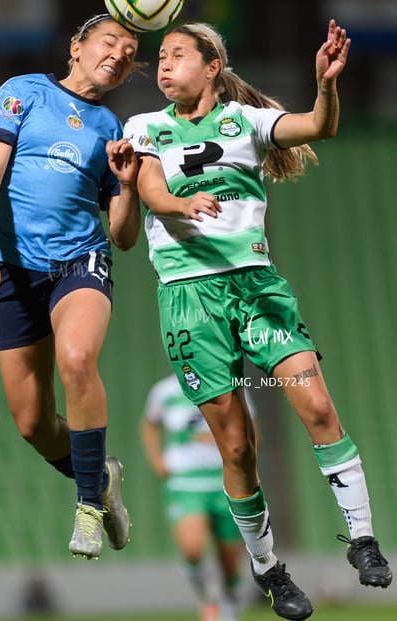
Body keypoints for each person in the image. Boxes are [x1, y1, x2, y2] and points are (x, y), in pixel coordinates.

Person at [108, 17, 393, 620]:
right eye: (161, 57)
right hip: (188, 297)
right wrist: (165, 200)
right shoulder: (143, 127)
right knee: (235, 448)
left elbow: (319, 125)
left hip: (257, 289)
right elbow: (144, 206)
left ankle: (364, 540)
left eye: (178, 55)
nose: (164, 65)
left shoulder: (247, 123)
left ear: (213, 68)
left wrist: (327, 85)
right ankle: (270, 572)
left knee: (315, 404)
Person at [0, 13, 143, 560]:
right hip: (11, 273)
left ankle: (88, 507)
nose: (120, 55)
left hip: (79, 263)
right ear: (76, 47)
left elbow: (122, 238)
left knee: (78, 359)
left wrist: (126, 187)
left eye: (130, 52)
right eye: (110, 42)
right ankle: (101, 475)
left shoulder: (113, 130)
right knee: (32, 423)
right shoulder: (22, 92)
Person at [142, 374, 256, 621]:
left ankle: (230, 605)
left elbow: (251, 430)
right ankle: (208, 599)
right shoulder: (164, 390)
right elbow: (149, 425)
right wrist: (157, 461)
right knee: (192, 549)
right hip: (185, 482)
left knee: (229, 561)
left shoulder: (229, 384)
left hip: (225, 482)